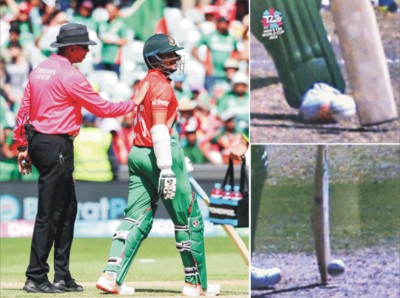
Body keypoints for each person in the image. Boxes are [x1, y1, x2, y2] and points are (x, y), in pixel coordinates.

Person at [13, 23, 148, 294]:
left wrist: (23, 145)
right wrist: (134, 102)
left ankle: (62, 276)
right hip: (57, 145)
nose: (87, 52)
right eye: (84, 47)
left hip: (42, 142)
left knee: (66, 211)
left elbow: (25, 109)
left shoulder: (39, 70)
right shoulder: (70, 76)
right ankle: (36, 276)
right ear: (71, 48)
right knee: (51, 214)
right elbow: (102, 107)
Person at [95, 33, 220, 296]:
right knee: (188, 219)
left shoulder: (146, 82)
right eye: (168, 54)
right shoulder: (162, 86)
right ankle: (195, 285)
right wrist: (167, 166)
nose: (174, 58)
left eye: (174, 54)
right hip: (158, 151)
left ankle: (110, 276)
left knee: (136, 217)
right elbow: (160, 128)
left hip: (138, 153)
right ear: (153, 59)